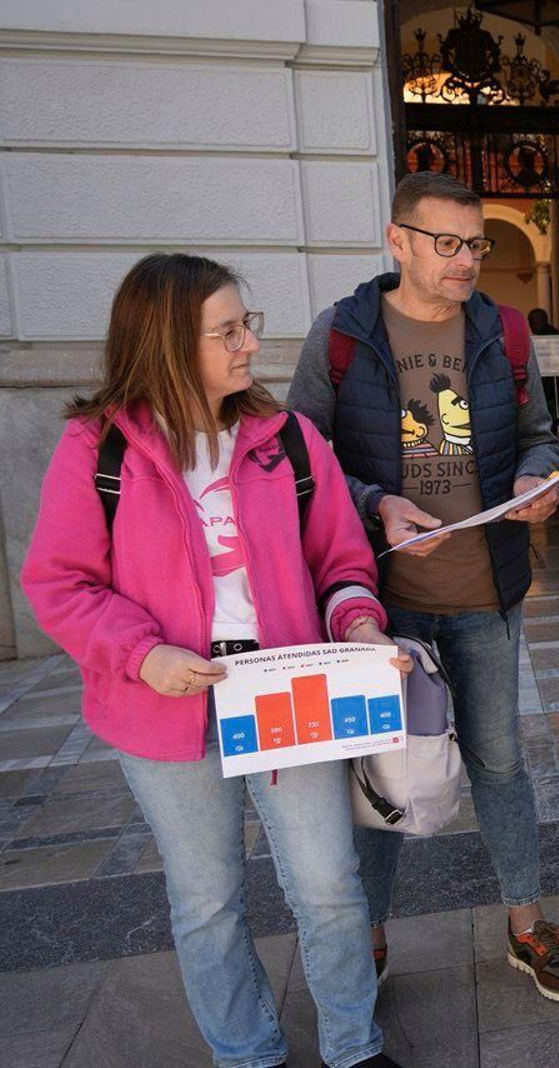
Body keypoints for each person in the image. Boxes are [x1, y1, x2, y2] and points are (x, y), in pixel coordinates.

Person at [23, 253, 406, 1068]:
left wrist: (363, 628)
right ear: (166, 343)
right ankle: (247, 1054)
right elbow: (59, 582)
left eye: (248, 323)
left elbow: (341, 561)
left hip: (287, 694)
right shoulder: (98, 448)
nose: (249, 344)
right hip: (164, 704)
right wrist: (142, 655)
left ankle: (353, 1047)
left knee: (332, 890)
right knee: (207, 903)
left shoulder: (289, 439)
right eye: (227, 330)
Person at [286, 171, 559, 1002]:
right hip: (376, 603)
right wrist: (375, 502)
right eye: (446, 243)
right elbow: (297, 462)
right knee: (379, 770)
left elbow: (541, 435)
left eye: (476, 244)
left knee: (500, 762)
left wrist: (538, 479)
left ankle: (527, 925)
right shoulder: (341, 336)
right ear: (399, 240)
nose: (465, 261)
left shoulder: (505, 332)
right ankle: (368, 938)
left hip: (485, 593)